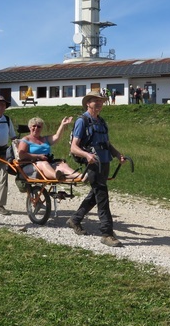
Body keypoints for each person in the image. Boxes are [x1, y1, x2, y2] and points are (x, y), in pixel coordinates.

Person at [67, 91, 127, 247]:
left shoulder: (101, 122)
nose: (99, 104)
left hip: (105, 162)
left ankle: (74, 220)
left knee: (95, 194)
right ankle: (106, 233)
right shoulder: (82, 121)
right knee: (102, 196)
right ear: (88, 103)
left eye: (101, 101)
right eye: (95, 101)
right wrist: (86, 155)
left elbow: (107, 144)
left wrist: (117, 155)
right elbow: (74, 147)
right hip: (93, 164)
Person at [17, 116, 82, 181]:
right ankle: (58, 176)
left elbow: (56, 137)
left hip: (47, 163)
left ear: (41, 128)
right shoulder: (25, 139)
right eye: (34, 126)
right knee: (44, 164)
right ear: (30, 127)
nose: (36, 128)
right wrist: (38, 156)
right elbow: (21, 155)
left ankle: (81, 176)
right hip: (31, 165)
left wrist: (62, 124)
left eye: (39, 126)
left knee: (63, 165)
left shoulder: (45, 139)